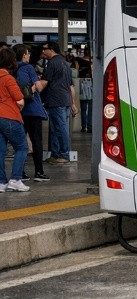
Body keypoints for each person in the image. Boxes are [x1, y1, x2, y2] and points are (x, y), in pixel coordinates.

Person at [36, 42, 75, 165]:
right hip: (65, 100)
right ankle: (56, 154)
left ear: (51, 50)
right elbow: (71, 86)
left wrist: (32, 90)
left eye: (45, 49)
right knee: (56, 128)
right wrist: (73, 103)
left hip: (56, 100)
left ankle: (63, 154)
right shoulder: (65, 63)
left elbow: (44, 82)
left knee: (60, 128)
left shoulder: (52, 63)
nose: (43, 51)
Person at [15, 44, 49, 182]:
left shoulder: (11, 70)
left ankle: (20, 173)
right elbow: (39, 87)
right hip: (33, 110)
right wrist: (34, 85)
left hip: (18, 111)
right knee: (36, 141)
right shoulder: (28, 68)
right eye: (28, 53)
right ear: (24, 55)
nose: (29, 55)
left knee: (20, 143)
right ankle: (39, 172)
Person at [0, 46, 30, 192]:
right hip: (9, 116)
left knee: (0, 151)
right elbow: (19, 99)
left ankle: (1, 182)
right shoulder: (8, 79)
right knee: (22, 147)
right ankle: (15, 179)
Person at [78, 57, 93, 132]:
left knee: (83, 110)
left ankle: (84, 127)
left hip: (82, 91)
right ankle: (89, 126)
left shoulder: (79, 71)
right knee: (90, 110)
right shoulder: (91, 71)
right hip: (90, 92)